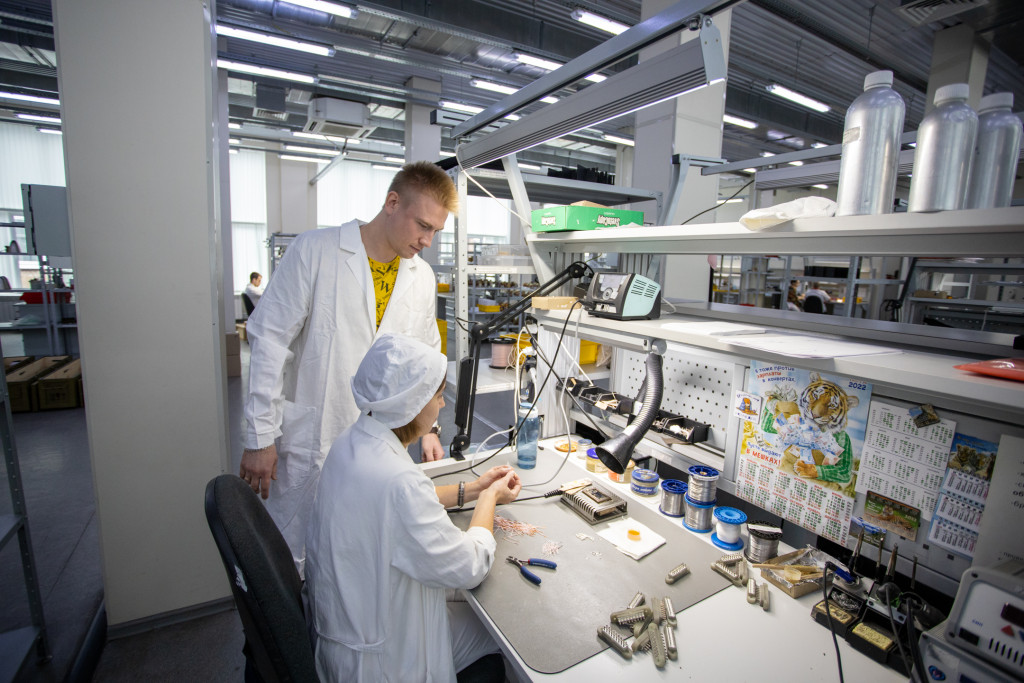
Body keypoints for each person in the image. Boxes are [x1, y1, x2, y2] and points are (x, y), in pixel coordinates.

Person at [240, 161, 456, 575]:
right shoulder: (315, 251)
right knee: (295, 557)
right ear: (392, 203)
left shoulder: (422, 276)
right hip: (317, 435)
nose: (427, 241)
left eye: (436, 232)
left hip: (381, 444)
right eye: (423, 226)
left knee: (360, 557)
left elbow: (425, 357)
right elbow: (270, 343)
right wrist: (260, 438)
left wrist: (428, 427)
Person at [306, 333, 521, 682]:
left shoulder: (352, 443)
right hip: (386, 663)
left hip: (349, 633)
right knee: (505, 635)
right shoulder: (398, 481)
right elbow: (470, 565)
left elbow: (399, 505)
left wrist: (473, 488)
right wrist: (490, 499)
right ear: (413, 403)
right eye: (437, 396)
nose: (442, 405)